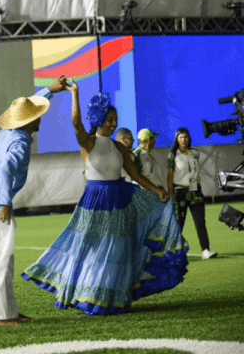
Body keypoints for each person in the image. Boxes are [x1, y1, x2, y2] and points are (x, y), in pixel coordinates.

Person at [23, 83, 189, 315]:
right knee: (90, 248)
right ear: (99, 118)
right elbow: (76, 123)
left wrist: (157, 191)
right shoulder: (88, 142)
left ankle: (113, 298)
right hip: (95, 201)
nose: (113, 123)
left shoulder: (119, 148)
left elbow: (136, 175)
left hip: (120, 199)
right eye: (109, 119)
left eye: (115, 119)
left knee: (118, 249)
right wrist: (75, 95)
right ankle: (89, 296)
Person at [0, 77, 67, 326]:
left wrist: (50, 90)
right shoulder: (20, 144)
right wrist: (5, 203)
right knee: (1, 262)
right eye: (36, 114)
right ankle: (3, 317)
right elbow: (4, 170)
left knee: (2, 261)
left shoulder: (6, 133)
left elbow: (26, 106)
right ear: (30, 121)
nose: (40, 117)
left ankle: (8, 312)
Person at [167, 127, 217, 260]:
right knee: (179, 223)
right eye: (181, 137)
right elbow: (170, 174)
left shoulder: (195, 153)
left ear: (189, 138)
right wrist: (171, 192)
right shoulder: (173, 154)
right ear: (177, 139)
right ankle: (173, 252)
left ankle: (205, 250)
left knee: (200, 221)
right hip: (180, 191)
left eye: (186, 137)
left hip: (195, 190)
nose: (184, 140)